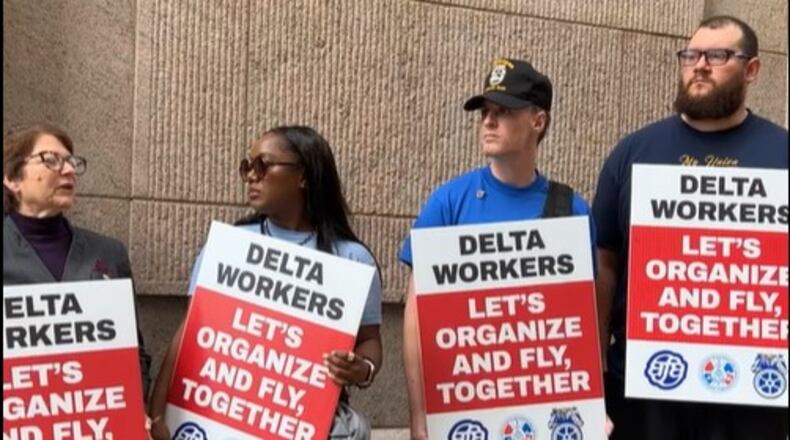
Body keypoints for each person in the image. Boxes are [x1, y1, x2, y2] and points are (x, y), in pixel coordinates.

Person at [593, 15, 789, 440]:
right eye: (691, 55)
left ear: (751, 69)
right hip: (646, 386)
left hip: (753, 390)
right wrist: (595, 363)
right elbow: (604, 258)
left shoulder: (782, 154)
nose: (700, 65)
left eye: (718, 55)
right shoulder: (633, 151)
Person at [399, 58, 609, 439]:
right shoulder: (449, 202)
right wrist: (419, 415)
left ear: (538, 121)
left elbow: (581, 323)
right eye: (485, 112)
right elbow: (416, 318)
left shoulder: (572, 209)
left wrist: (594, 404)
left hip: (541, 411)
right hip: (464, 411)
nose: (488, 122)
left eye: (504, 111)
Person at [148, 126, 383, 440]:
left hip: (310, 425)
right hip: (224, 422)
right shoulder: (228, 248)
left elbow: (370, 340)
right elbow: (191, 333)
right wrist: (159, 410)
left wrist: (361, 368)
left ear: (304, 176)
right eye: (247, 166)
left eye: (263, 165)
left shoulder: (352, 259)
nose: (251, 176)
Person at [2, 123, 153, 428]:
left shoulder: (108, 253)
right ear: (12, 179)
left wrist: (133, 409)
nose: (69, 169)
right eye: (51, 160)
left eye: (72, 161)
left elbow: (134, 354)